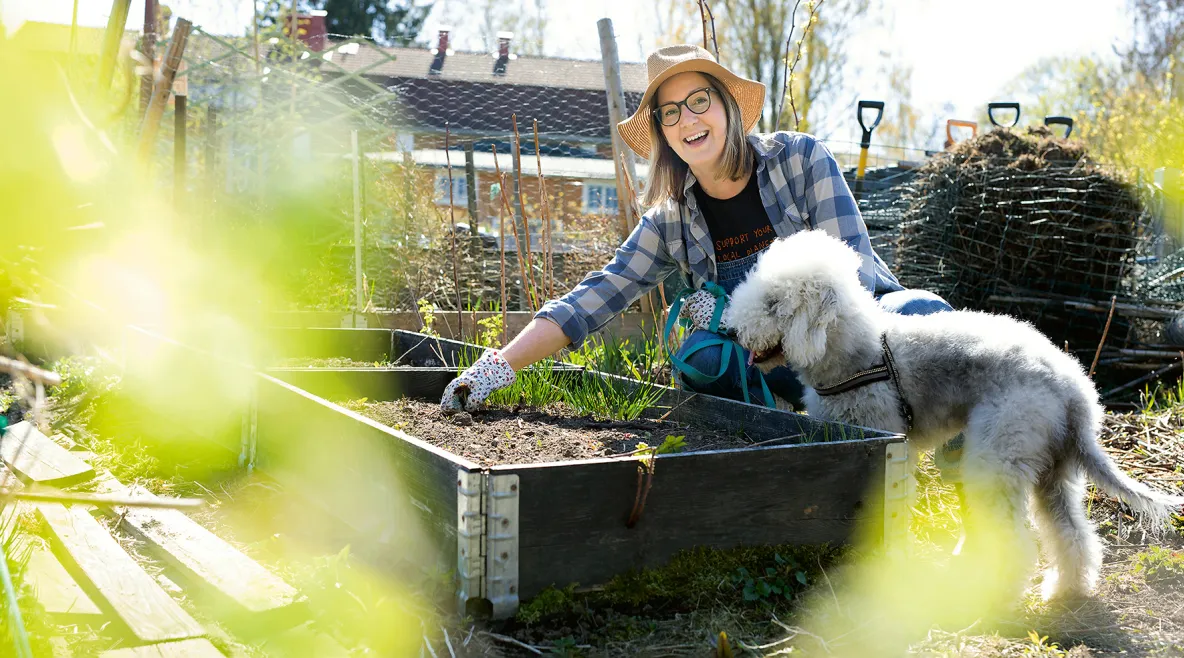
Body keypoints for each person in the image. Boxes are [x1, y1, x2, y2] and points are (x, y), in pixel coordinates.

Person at [438, 44, 953, 417]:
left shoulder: (799, 161)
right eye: (670, 112)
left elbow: (856, 274)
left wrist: (788, 337)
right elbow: (597, 295)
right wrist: (496, 369)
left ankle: (965, 482)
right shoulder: (671, 219)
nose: (688, 118)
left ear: (727, 105)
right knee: (703, 355)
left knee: (930, 316)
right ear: (664, 134)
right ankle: (768, 427)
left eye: (699, 100)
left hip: (850, 342)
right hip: (765, 366)